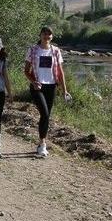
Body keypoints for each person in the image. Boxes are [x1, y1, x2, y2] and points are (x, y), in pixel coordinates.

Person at [24, 26, 70, 158]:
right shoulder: (33, 50)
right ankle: (43, 145)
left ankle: (40, 143)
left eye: (49, 34)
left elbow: (60, 72)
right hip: (37, 87)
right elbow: (26, 71)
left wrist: (64, 90)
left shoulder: (55, 51)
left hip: (51, 87)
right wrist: (33, 82)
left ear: (52, 37)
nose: (47, 36)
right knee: (44, 113)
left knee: (46, 116)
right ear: (40, 35)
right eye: (44, 34)